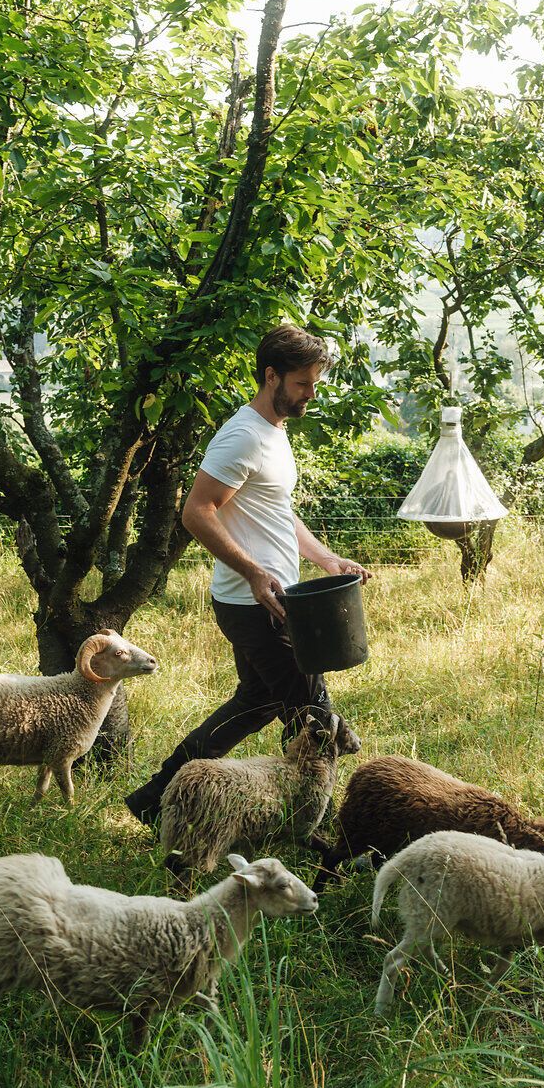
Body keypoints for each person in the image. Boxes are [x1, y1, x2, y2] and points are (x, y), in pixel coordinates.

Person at [125, 324, 372, 827]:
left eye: (315, 383)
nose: (310, 394)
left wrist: (326, 560)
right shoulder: (242, 436)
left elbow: (277, 512)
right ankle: (318, 830)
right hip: (255, 603)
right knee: (315, 720)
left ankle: (157, 797)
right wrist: (256, 573)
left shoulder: (274, 434)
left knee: (256, 703)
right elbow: (196, 512)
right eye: (303, 384)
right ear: (270, 376)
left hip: (271, 596)